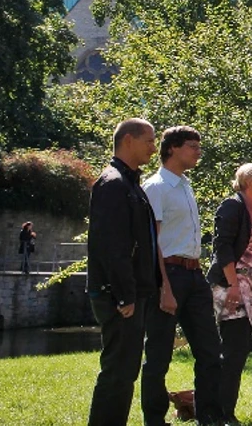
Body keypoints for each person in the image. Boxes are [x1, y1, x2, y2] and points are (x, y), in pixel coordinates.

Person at [140, 125, 225, 426]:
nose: (198, 151)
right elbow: (153, 245)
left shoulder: (185, 184)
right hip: (168, 275)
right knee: (159, 353)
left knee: (210, 350)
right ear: (172, 148)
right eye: (192, 145)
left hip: (193, 275)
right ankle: (154, 420)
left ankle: (210, 416)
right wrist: (164, 287)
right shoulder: (156, 187)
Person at [86, 118, 160, 426]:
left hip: (134, 292)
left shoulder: (131, 184)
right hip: (119, 294)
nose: (154, 148)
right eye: (149, 141)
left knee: (126, 369)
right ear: (128, 140)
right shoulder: (113, 183)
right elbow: (113, 247)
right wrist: (124, 295)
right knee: (118, 370)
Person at [210, 162, 252, 424]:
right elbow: (222, 247)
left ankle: (221, 408)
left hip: (251, 288)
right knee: (233, 350)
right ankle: (223, 413)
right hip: (231, 285)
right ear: (247, 179)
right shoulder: (232, 206)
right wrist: (233, 284)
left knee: (238, 351)